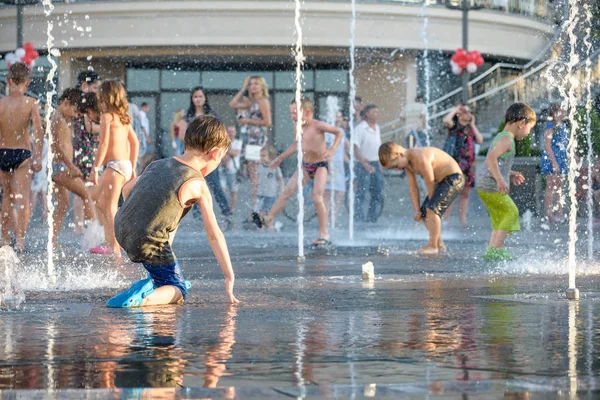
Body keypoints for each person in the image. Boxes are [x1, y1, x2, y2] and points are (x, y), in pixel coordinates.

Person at [107, 116, 239, 307]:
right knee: (179, 289)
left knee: (162, 238)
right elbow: (214, 235)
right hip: (147, 239)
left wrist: (138, 217)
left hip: (120, 229)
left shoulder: (157, 164)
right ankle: (145, 299)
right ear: (216, 154)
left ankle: (156, 282)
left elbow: (127, 189)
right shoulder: (198, 184)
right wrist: (229, 275)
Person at [251, 97, 342, 246]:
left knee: (317, 197)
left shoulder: (318, 125)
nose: (292, 116)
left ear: (307, 112)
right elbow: (296, 145)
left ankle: (324, 233)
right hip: (305, 166)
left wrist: (332, 150)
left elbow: (338, 133)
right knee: (286, 192)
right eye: (291, 113)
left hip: (320, 165)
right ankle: (268, 218)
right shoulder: (297, 127)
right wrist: (279, 158)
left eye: (295, 113)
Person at [378, 142, 465, 254]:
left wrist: (431, 202)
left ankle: (433, 246)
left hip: (454, 178)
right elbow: (413, 187)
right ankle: (439, 243)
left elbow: (429, 179)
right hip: (442, 181)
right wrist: (417, 210)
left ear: (400, 154)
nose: (396, 170)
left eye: (395, 166)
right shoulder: (407, 165)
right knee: (424, 213)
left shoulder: (419, 156)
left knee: (432, 209)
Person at [477, 103, 536, 260]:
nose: (529, 132)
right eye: (529, 127)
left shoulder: (502, 137)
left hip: (484, 184)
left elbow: (495, 162)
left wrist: (509, 173)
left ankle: (492, 249)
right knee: (512, 212)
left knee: (499, 216)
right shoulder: (507, 140)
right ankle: (496, 249)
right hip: (490, 185)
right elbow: (490, 158)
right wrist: (500, 179)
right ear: (521, 123)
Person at [89, 80, 139, 258]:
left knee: (109, 206)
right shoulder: (122, 117)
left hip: (114, 165)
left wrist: (94, 169)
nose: (99, 101)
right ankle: (110, 241)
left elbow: (103, 145)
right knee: (98, 201)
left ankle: (115, 247)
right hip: (123, 165)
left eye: (100, 97)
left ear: (106, 97)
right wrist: (132, 167)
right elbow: (135, 142)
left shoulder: (107, 117)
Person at [0, 62, 43, 251]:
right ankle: (20, 240)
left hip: (3, 152)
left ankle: (4, 239)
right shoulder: (31, 103)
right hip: (23, 153)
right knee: (23, 198)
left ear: (9, 81)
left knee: (7, 197)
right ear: (28, 82)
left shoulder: (1, 104)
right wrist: (38, 157)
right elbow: (39, 132)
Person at [50, 88, 97, 248]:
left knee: (62, 204)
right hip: (62, 167)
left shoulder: (60, 117)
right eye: (75, 110)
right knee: (86, 195)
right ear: (66, 103)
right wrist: (71, 167)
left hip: (59, 166)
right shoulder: (58, 118)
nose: (76, 114)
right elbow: (56, 146)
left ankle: (52, 241)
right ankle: (95, 239)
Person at [180, 87, 232, 220]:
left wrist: (224, 154)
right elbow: (182, 136)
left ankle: (226, 212)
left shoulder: (212, 114)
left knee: (215, 184)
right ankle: (197, 215)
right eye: (195, 97)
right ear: (192, 99)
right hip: (192, 156)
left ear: (205, 98)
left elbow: (220, 134)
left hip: (209, 155)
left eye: (200, 96)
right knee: (193, 184)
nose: (198, 99)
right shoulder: (188, 115)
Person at [229, 76, 272, 209]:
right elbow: (232, 104)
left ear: (262, 87)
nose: (253, 86)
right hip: (250, 141)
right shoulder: (252, 102)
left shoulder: (263, 101)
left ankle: (257, 210)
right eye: (251, 84)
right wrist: (243, 88)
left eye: (256, 84)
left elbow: (267, 122)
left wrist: (247, 121)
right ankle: (255, 209)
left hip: (257, 141)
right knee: (254, 176)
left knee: (255, 176)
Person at [442, 104, 483, 225]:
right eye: (465, 111)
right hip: (456, 163)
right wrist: (455, 109)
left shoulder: (470, 129)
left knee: (465, 193)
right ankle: (445, 220)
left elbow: (480, 140)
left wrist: (473, 124)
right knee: (451, 193)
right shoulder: (454, 126)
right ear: (459, 114)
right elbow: (446, 120)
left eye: (470, 112)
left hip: (469, 165)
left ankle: (463, 221)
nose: (469, 114)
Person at [72, 71, 101, 234]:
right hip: (87, 150)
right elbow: (89, 127)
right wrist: (109, 128)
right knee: (86, 188)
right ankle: (84, 224)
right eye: (95, 87)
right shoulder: (84, 102)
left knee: (82, 189)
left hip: (81, 148)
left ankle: (80, 224)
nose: (97, 90)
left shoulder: (76, 101)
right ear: (85, 85)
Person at [354, 104, 384, 223]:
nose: (377, 114)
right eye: (374, 112)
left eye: (377, 112)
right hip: (363, 164)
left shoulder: (377, 127)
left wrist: (380, 164)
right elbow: (355, 148)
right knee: (361, 192)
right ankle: (359, 219)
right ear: (367, 113)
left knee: (377, 192)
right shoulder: (360, 128)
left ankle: (372, 218)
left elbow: (379, 146)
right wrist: (364, 164)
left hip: (375, 163)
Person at [541, 104, 568, 224]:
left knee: (560, 186)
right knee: (551, 185)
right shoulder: (550, 126)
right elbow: (547, 146)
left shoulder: (563, 126)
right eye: (562, 109)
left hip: (561, 158)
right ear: (556, 113)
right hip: (552, 158)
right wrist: (554, 163)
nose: (564, 111)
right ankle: (549, 213)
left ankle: (560, 213)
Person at [324, 111, 348, 224]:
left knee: (340, 193)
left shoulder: (341, 131)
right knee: (328, 194)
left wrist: (351, 162)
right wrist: (328, 166)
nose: (338, 119)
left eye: (340, 117)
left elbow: (342, 150)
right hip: (331, 166)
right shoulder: (328, 132)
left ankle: (333, 217)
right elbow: (325, 149)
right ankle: (326, 220)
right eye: (336, 116)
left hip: (340, 167)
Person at [255, 145, 284, 219]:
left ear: (270, 156)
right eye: (260, 156)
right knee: (259, 210)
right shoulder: (260, 167)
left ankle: (269, 227)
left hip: (271, 194)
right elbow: (257, 179)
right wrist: (254, 189)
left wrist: (282, 190)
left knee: (268, 212)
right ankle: (263, 227)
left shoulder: (275, 167)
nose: (261, 158)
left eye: (263, 156)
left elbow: (281, 179)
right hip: (260, 193)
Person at [221, 126, 243, 212]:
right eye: (229, 131)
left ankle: (231, 209)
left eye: (232, 131)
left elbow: (237, 152)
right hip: (222, 169)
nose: (230, 133)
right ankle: (225, 207)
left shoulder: (238, 142)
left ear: (235, 132)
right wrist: (230, 152)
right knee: (222, 190)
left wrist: (226, 151)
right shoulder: (223, 142)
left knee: (233, 191)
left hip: (233, 169)